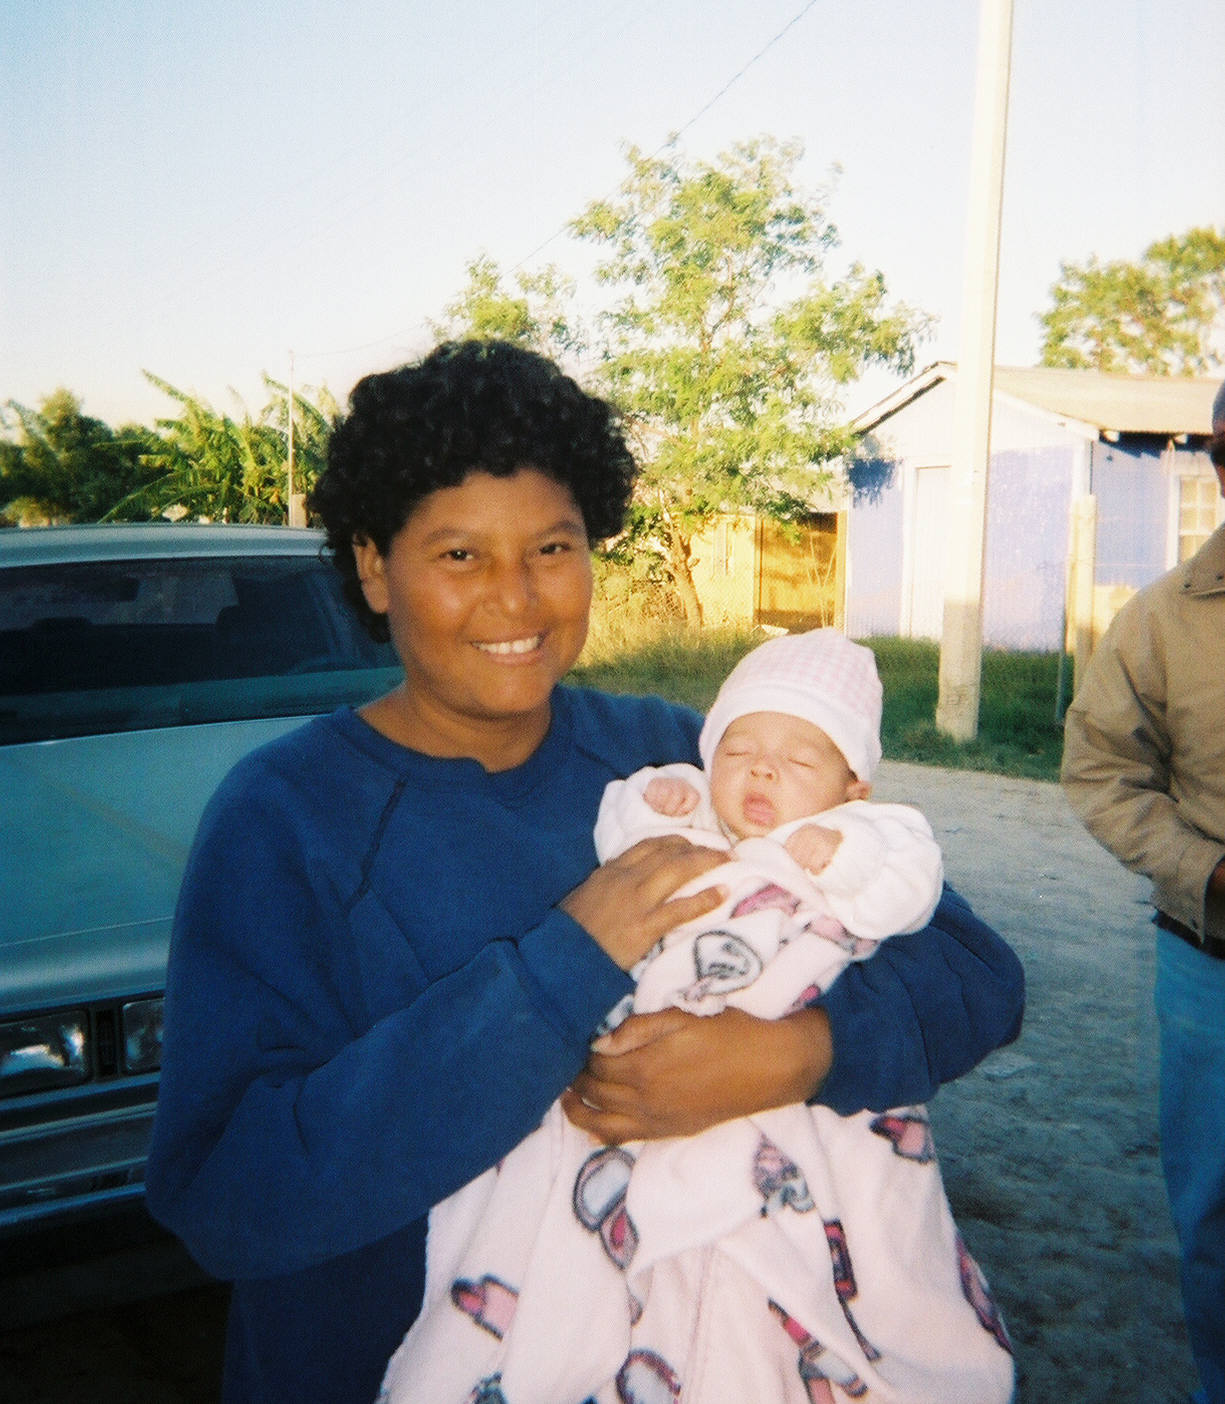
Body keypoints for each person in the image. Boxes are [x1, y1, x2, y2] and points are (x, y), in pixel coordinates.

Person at [144, 338, 1025, 1404]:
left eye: (552, 548)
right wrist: (565, 964)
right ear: (374, 566)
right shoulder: (288, 817)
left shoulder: (677, 760)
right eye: (460, 555)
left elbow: (974, 974)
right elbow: (227, 1194)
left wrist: (792, 1054)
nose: (516, 599)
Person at [381, 629, 1013, 1404]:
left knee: (805, 1269)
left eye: (798, 761)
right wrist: (662, 802)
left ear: (853, 789)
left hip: (791, 1070)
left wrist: (804, 1039)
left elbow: (941, 926)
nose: (762, 769)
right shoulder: (691, 796)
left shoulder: (865, 830)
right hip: (634, 1070)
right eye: (738, 751)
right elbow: (631, 825)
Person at [1061, 377, 1225, 1404]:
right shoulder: (1162, 619)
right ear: (1218, 457)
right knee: (1214, 1222)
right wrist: (1206, 870)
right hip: (1210, 972)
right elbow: (1098, 772)